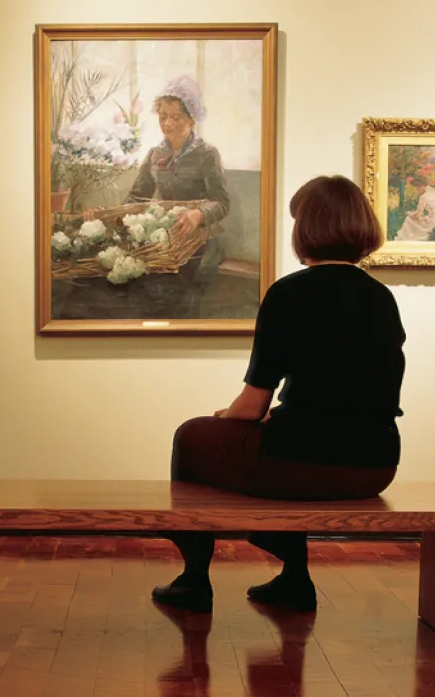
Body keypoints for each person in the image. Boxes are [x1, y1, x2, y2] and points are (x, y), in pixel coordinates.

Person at [152, 175, 406, 614]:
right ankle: (293, 578)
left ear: (306, 228)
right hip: (376, 464)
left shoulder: (289, 293)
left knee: (191, 437)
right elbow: (356, 393)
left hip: (302, 465)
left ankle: (194, 578)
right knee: (283, 438)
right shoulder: (381, 297)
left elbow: (253, 405)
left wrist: (225, 417)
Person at [78, 75, 231, 317]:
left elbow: (222, 203)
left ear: (192, 118)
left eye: (176, 117)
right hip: (166, 235)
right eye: (162, 116)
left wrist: (199, 214)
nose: (167, 124)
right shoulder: (155, 154)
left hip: (200, 240)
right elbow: (137, 198)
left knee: (169, 289)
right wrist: (108, 215)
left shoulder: (207, 154)